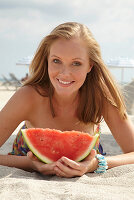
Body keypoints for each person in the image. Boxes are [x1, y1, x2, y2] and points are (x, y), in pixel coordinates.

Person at [0, 22, 134, 178]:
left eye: (76, 63)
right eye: (56, 61)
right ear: (47, 60)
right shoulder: (28, 96)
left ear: (90, 65)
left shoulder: (100, 96)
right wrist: (29, 163)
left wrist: (95, 164)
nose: (65, 73)